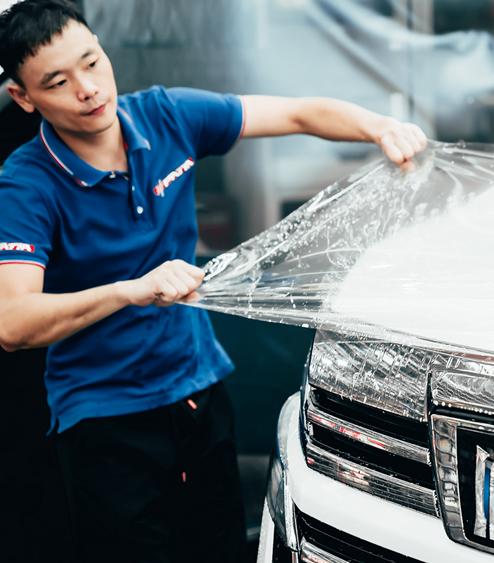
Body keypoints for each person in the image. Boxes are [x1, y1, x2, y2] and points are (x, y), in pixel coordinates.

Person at [0, 0, 427, 561]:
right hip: (104, 418)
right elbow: (13, 323)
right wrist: (133, 289)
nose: (89, 89)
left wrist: (380, 127)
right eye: (58, 82)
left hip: (198, 390)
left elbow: (300, 114)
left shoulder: (166, 116)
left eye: (92, 62)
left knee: (221, 548)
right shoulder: (26, 183)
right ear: (24, 97)